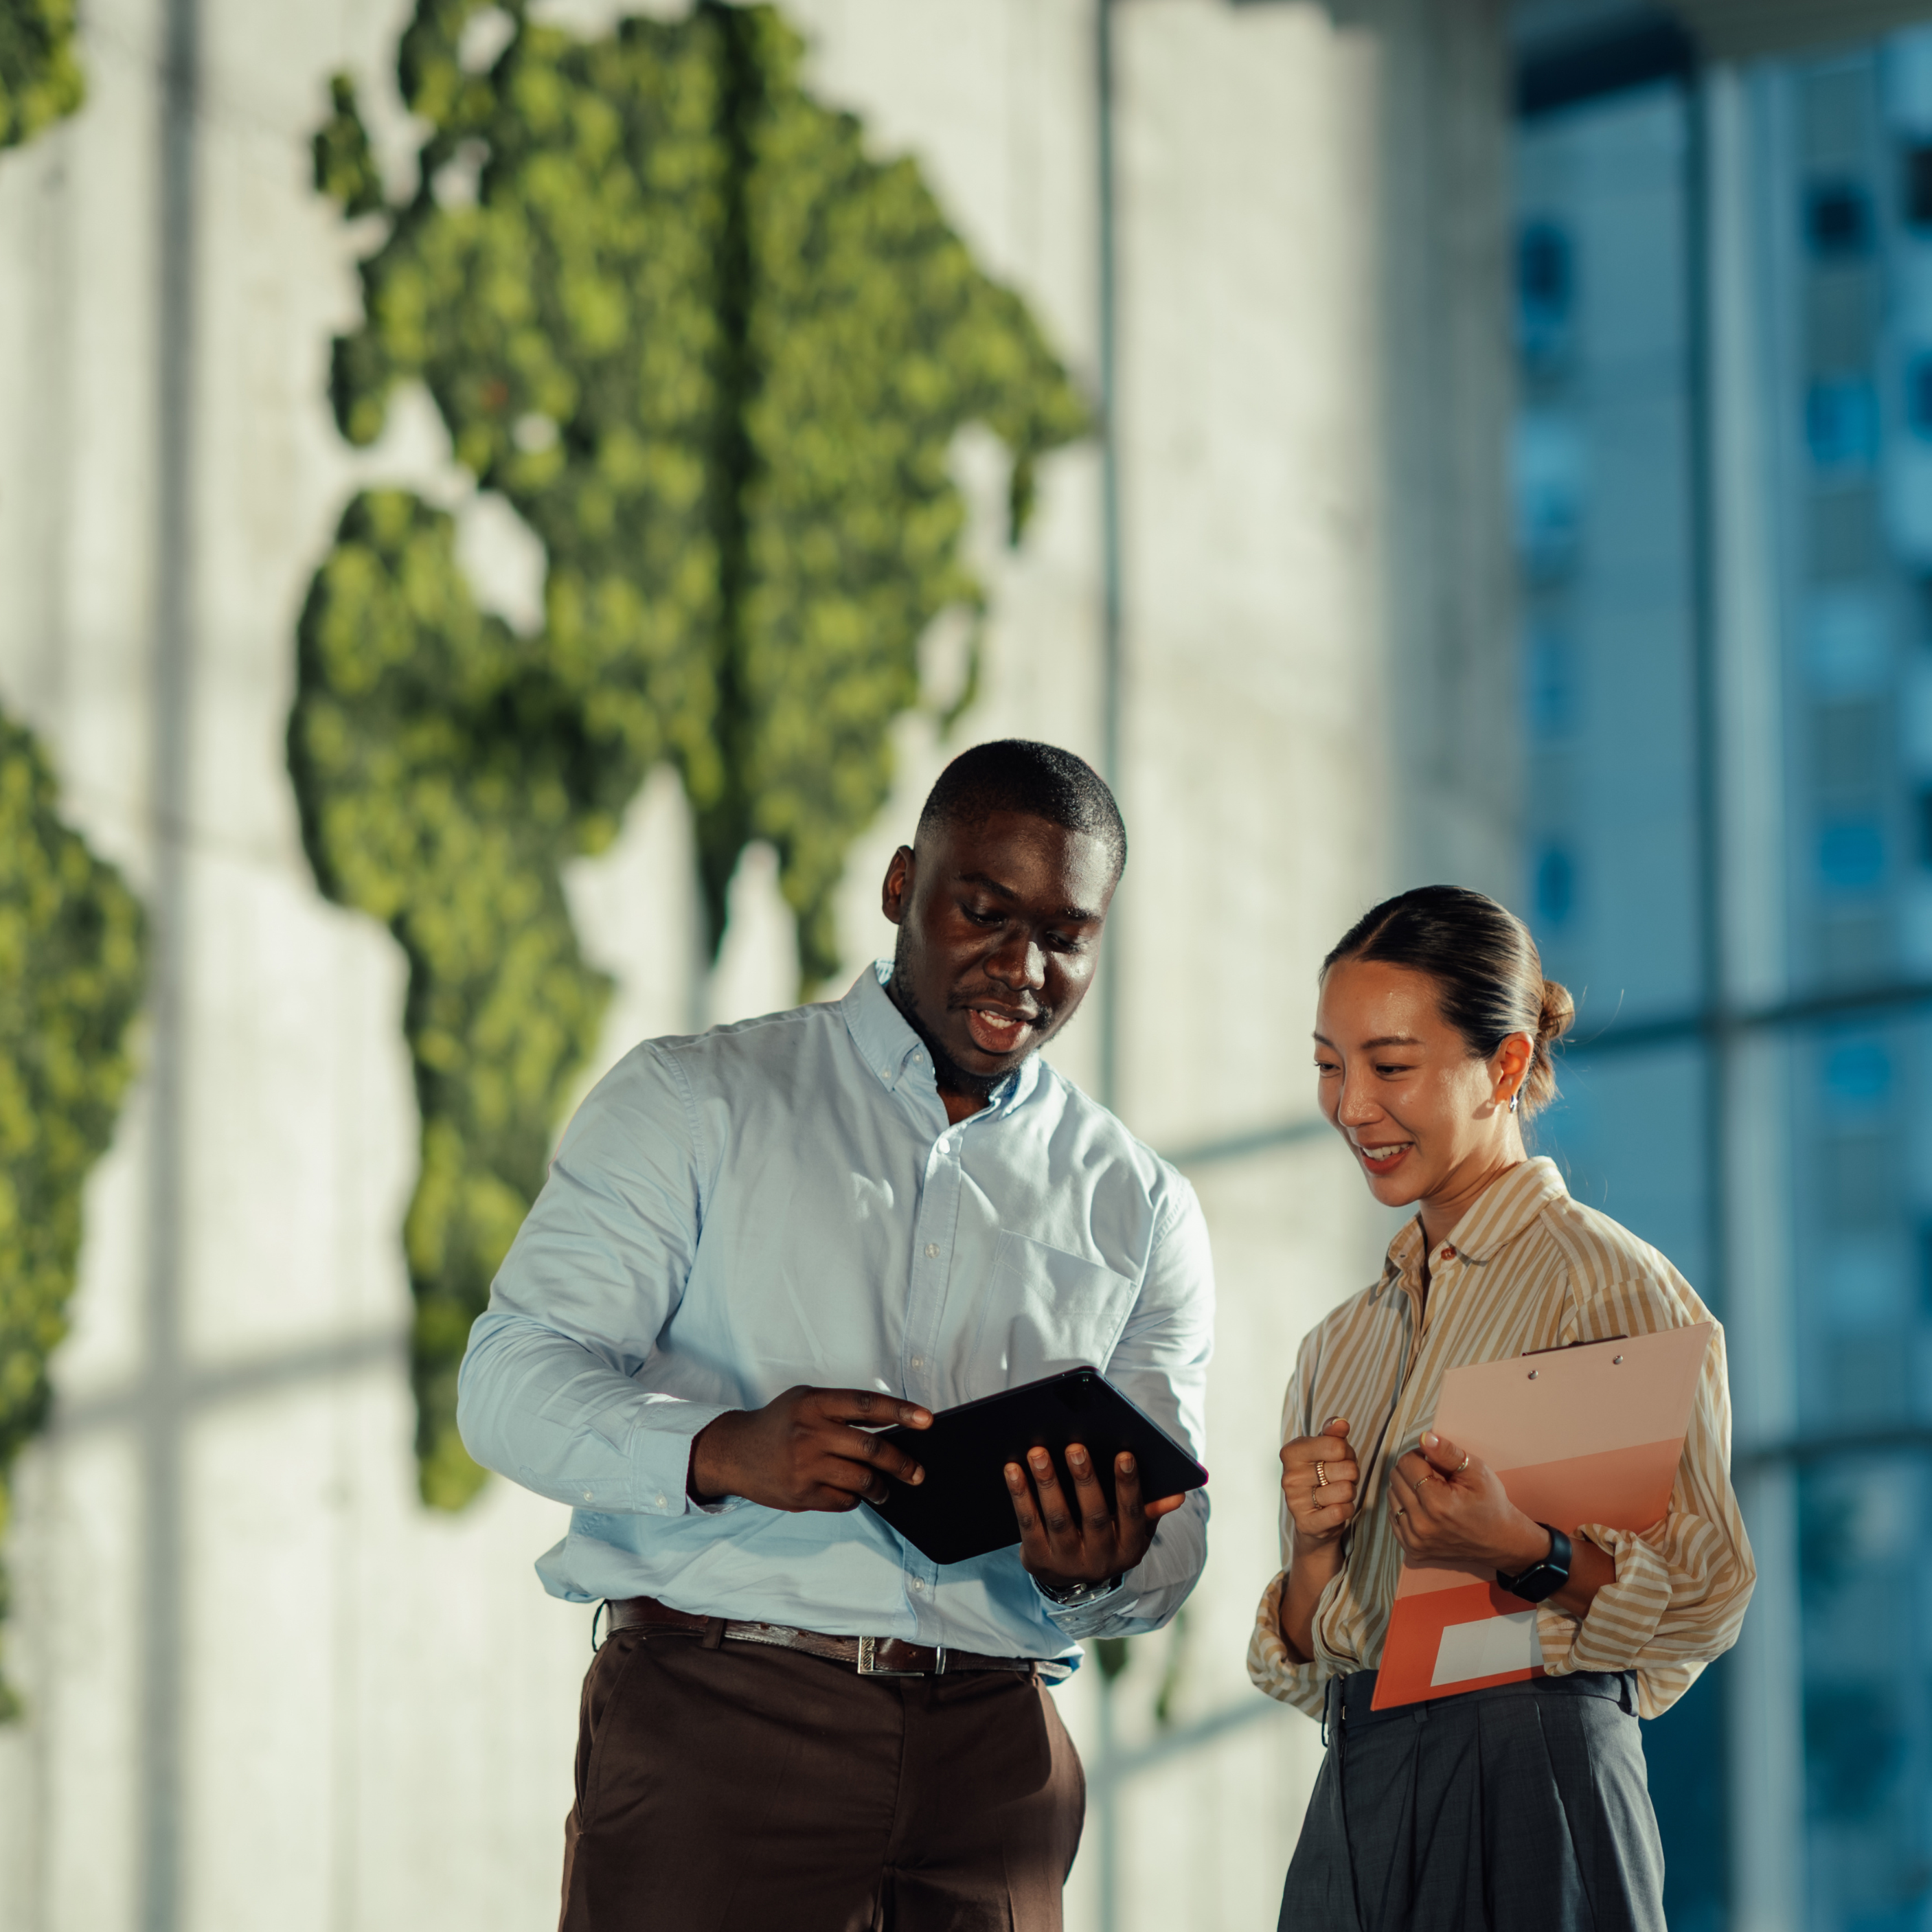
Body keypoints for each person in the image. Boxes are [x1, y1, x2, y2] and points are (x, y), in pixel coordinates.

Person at [458, 738, 1213, 1932]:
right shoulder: (698, 1099)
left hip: (998, 1765)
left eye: (1065, 936)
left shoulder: (1142, 1202)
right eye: (984, 910)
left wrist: (1101, 1568)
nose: (1022, 968)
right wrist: (719, 1451)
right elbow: (505, 1378)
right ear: (901, 884)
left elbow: (1174, 1544)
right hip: (720, 1729)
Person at [1248, 885, 1755, 1932]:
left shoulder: (1608, 1286)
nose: (1352, 1106)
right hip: (1358, 1788)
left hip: (1539, 1780)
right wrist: (1311, 1554)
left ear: (1508, 1067)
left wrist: (1522, 1547)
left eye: (1390, 1067)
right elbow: (1314, 1662)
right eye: (1329, 1067)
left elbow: (1710, 1599)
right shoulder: (1338, 1346)